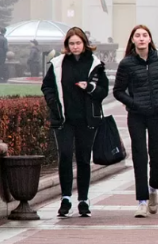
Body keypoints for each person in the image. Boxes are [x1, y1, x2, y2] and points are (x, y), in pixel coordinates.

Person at [41, 27, 109, 218]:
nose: (75, 47)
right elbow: (47, 86)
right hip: (64, 119)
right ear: (67, 46)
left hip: (87, 119)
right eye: (71, 44)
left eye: (78, 43)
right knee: (64, 155)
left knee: (83, 158)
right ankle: (66, 198)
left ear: (84, 44)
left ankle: (83, 200)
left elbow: (103, 90)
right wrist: (54, 103)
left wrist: (90, 88)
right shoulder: (58, 64)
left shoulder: (94, 64)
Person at [113, 24, 158, 218]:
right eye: (137, 36)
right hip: (137, 115)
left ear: (150, 39)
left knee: (157, 156)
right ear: (132, 40)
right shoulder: (127, 64)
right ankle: (141, 201)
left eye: (144, 35)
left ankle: (153, 188)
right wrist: (134, 103)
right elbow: (118, 91)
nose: (141, 38)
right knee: (140, 156)